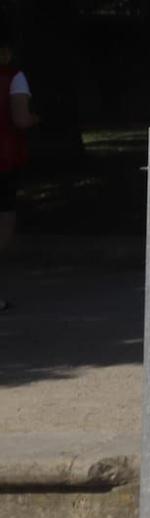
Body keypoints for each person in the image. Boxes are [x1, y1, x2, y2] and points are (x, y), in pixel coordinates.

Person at [0, 31, 38, 312]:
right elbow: (20, 119)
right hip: (3, 158)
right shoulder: (14, 77)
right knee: (3, 224)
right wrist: (38, 118)